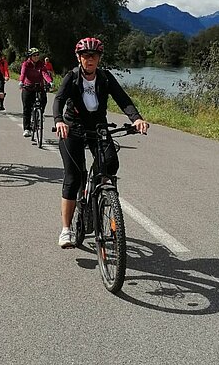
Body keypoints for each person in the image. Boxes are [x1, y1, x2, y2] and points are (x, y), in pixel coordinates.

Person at [53, 37, 149, 248]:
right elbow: (59, 100)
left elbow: (123, 99)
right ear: (79, 58)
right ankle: (66, 230)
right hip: (73, 128)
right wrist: (59, 121)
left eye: (94, 56)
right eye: (86, 56)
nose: (90, 59)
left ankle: (103, 197)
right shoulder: (72, 77)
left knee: (110, 163)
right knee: (73, 177)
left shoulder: (105, 78)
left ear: (99, 58)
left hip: (98, 127)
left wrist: (137, 119)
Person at [19, 47, 53, 137]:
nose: (37, 57)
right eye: (34, 55)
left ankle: (40, 114)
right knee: (27, 108)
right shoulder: (26, 64)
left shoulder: (41, 64)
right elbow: (23, 74)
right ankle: (27, 128)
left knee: (44, 100)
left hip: (39, 86)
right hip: (28, 87)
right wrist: (21, 82)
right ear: (30, 56)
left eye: (38, 55)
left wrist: (49, 81)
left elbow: (44, 73)